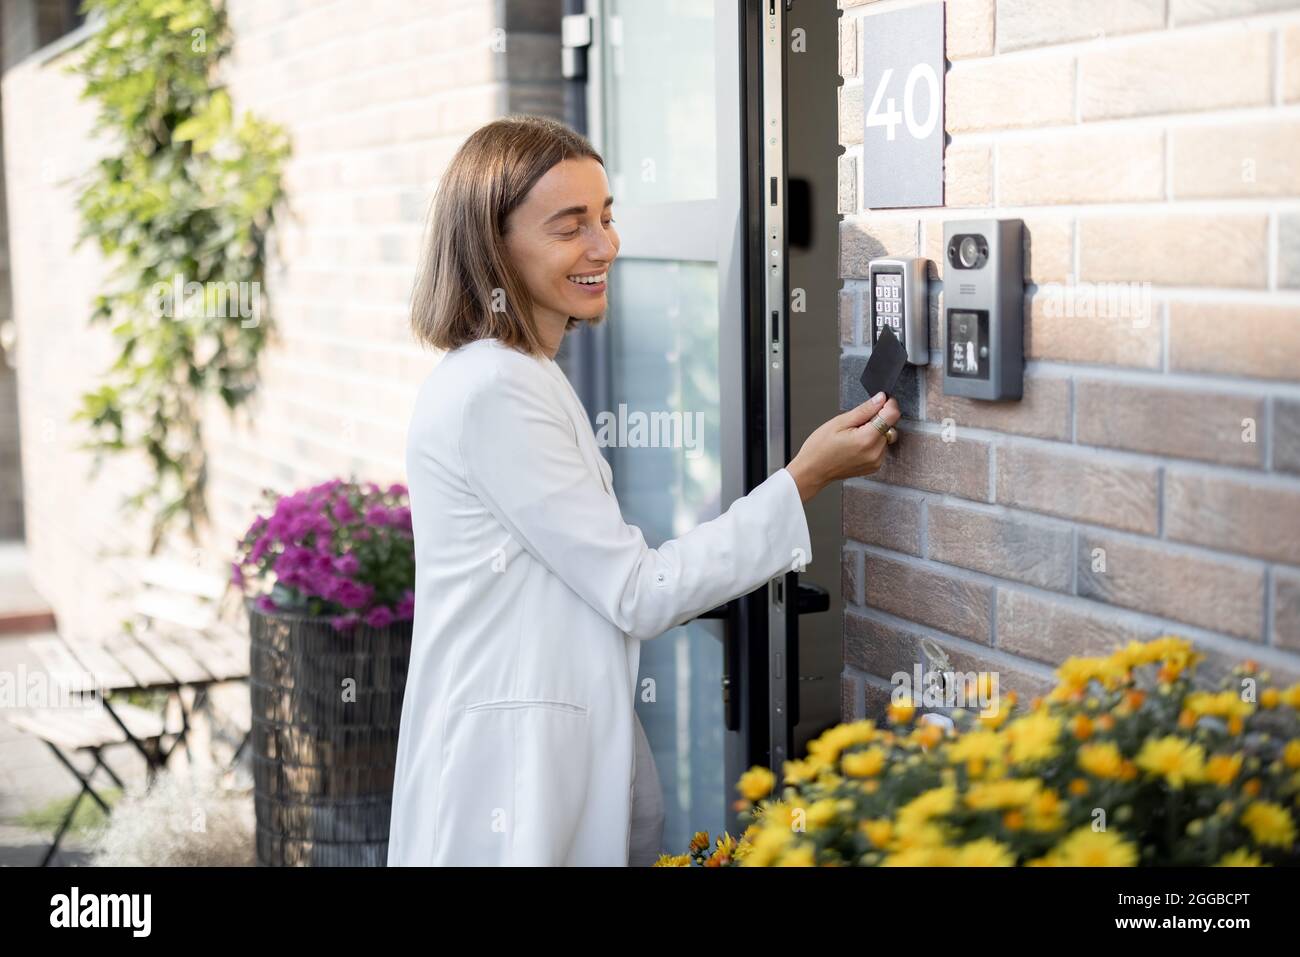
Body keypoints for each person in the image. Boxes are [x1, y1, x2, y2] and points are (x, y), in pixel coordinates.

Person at [387, 115, 901, 867]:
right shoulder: (495, 389)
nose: (604, 246)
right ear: (494, 246)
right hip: (506, 789)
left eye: (606, 216)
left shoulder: (517, 375)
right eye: (570, 227)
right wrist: (806, 475)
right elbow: (639, 590)